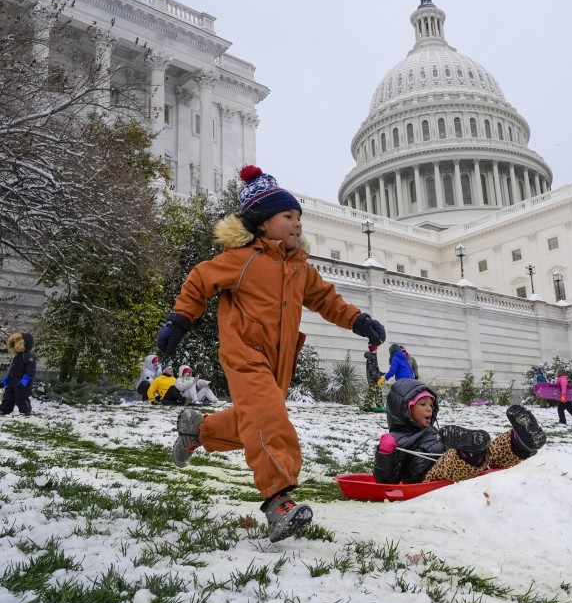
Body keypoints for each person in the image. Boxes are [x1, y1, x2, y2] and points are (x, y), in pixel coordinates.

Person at [156, 165, 386, 542]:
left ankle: (198, 430)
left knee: (254, 420)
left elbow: (326, 300)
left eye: (299, 217)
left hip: (279, 360)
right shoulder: (242, 258)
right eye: (288, 216)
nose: (297, 224)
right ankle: (278, 502)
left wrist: (359, 320)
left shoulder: (299, 268)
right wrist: (180, 319)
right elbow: (200, 279)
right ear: (262, 223)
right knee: (269, 419)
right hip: (244, 353)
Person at [373, 379, 547, 485]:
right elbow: (387, 481)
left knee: (491, 452)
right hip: (430, 478)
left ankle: (519, 442)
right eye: (423, 404)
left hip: (458, 468)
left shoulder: (431, 431)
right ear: (404, 409)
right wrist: (385, 454)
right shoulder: (396, 440)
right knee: (450, 461)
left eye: (431, 405)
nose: (429, 409)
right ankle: (470, 453)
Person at [0, 332, 35, 416]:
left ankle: (25, 411)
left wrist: (24, 381)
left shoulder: (28, 357)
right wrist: (6, 381)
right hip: (12, 382)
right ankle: (4, 410)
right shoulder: (17, 357)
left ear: (24, 344)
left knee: (21, 397)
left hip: (22, 383)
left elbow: (30, 370)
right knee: (8, 397)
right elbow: (12, 372)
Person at [362, 344, 383, 410]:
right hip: (372, 378)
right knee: (372, 391)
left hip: (375, 377)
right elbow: (372, 369)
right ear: (374, 350)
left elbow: (376, 369)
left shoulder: (374, 356)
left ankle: (380, 404)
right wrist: (377, 377)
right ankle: (366, 405)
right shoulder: (371, 357)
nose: (377, 350)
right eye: (376, 349)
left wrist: (380, 373)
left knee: (378, 390)